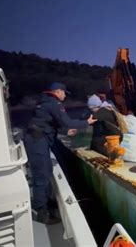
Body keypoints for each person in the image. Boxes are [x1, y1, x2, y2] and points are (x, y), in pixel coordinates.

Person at [25, 82, 96, 224]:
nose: (64, 95)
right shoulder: (53, 103)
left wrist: (65, 131)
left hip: (38, 139)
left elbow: (51, 123)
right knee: (41, 175)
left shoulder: (45, 102)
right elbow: (67, 121)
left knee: (47, 169)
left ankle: (46, 202)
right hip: (37, 141)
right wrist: (87, 122)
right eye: (64, 92)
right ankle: (41, 212)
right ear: (57, 92)